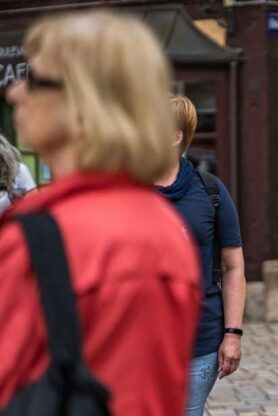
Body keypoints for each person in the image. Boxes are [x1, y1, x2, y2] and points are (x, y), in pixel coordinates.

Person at [0, 10, 200, 416]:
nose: (14, 92)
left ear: (82, 105)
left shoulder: (43, 231)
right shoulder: (163, 223)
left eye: (34, 80)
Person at [155, 95, 246, 416]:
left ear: (175, 136)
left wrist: (232, 334)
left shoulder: (210, 190)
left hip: (200, 337)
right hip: (142, 340)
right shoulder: (128, 190)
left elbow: (233, 266)